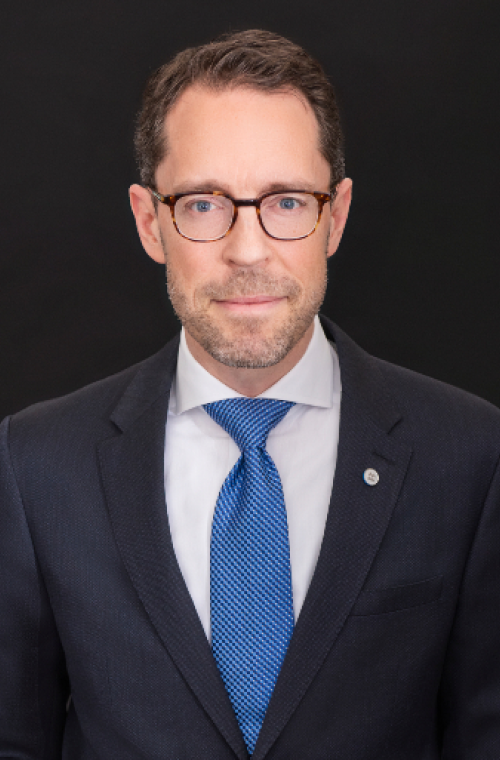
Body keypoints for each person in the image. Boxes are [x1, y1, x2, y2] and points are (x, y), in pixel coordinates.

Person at [1, 28, 500, 760]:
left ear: (335, 216)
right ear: (150, 222)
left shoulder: (471, 457)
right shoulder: (36, 466)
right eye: (204, 204)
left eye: (287, 202)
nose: (247, 250)